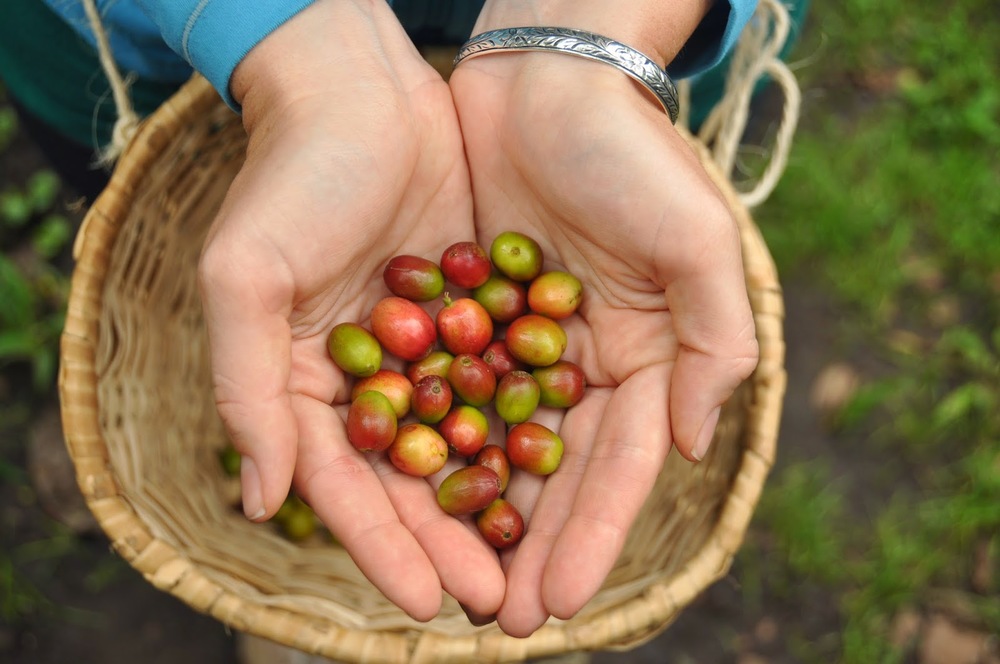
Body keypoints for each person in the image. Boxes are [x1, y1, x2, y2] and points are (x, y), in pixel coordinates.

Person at [1, 0, 761, 637]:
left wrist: (596, 32)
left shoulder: (464, 369)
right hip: (167, 36)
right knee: (104, 174)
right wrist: (289, 47)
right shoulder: (450, 365)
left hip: (646, 28)